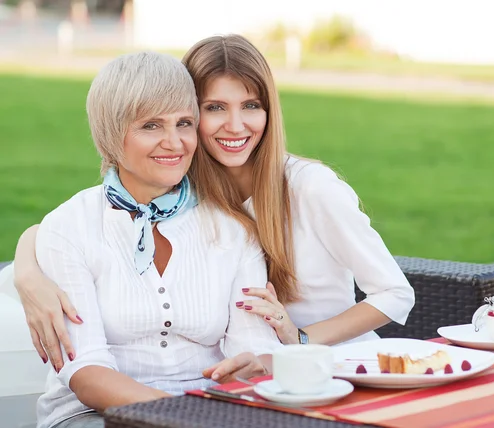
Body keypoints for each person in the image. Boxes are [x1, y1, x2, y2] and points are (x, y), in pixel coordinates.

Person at [11, 34, 415, 372]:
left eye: (251, 106)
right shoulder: (183, 186)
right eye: (215, 108)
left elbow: (395, 293)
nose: (236, 126)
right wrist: (28, 272)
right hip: (253, 373)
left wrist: (301, 338)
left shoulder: (310, 188)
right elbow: (91, 220)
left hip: (335, 365)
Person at [31, 51, 281, 428]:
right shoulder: (70, 226)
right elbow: (85, 371)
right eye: (151, 126)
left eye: (183, 123)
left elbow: (256, 345)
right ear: (112, 134)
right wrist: (187, 417)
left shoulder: (233, 228)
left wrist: (254, 364)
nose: (174, 142)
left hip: (212, 408)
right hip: (93, 414)